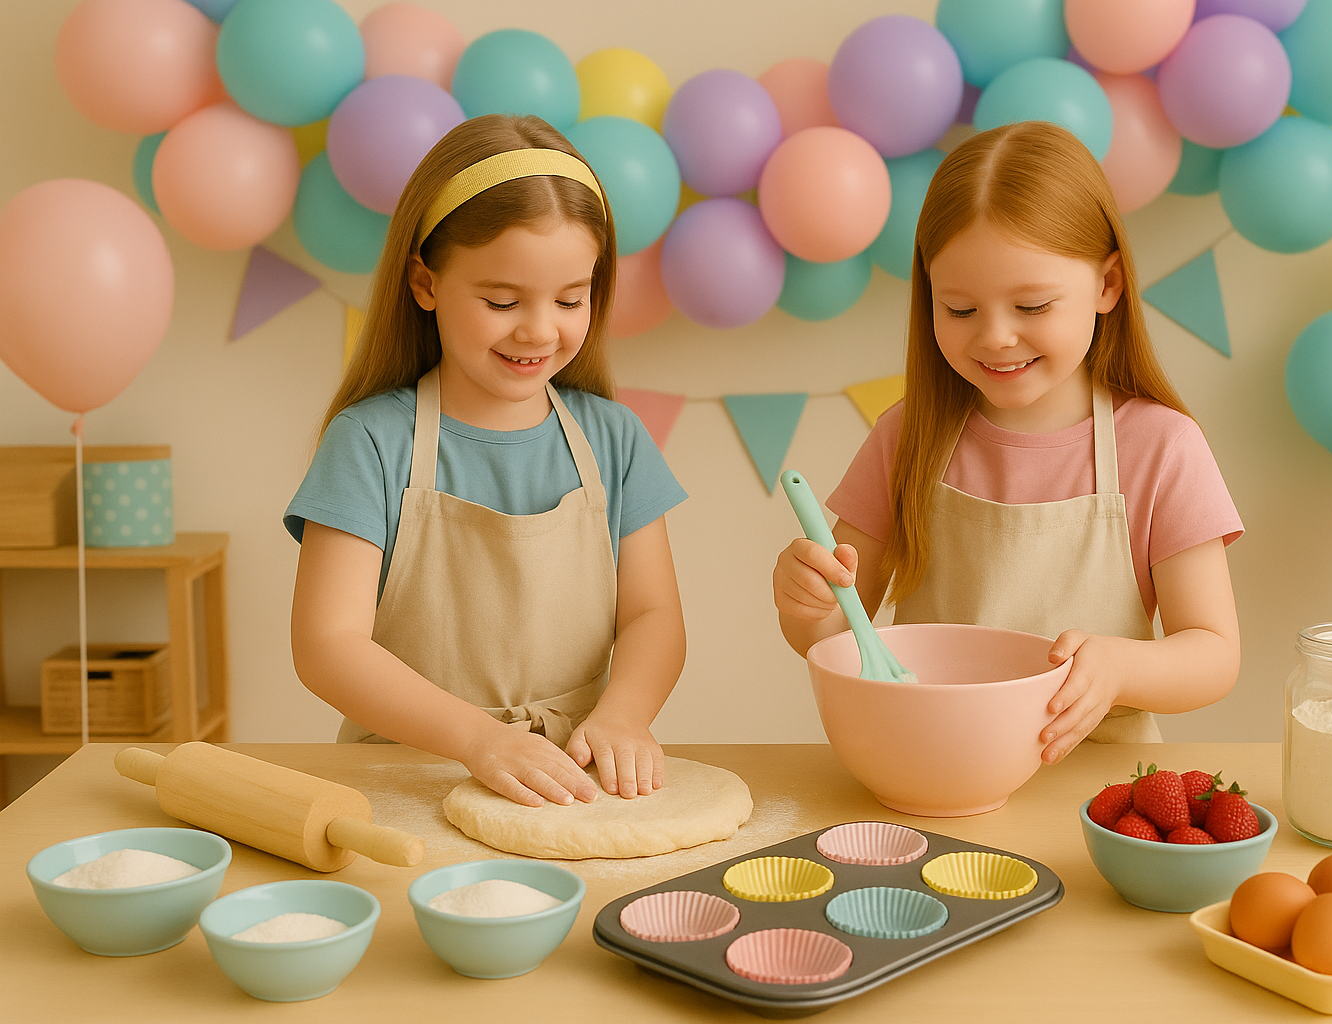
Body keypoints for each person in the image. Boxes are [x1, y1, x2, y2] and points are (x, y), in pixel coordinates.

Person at [773, 121, 1243, 764]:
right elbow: (844, 634)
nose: (994, 337)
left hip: (1096, 790)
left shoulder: (1160, 448)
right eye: (960, 310)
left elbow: (1213, 654)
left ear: (1107, 285)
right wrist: (807, 607)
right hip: (934, 768)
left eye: (1032, 306)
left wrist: (1120, 666)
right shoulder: (907, 437)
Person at [287, 115, 687, 807]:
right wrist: (477, 740)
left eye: (570, 299)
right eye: (502, 300)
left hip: (571, 781)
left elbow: (654, 616)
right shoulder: (370, 441)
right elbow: (327, 644)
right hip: (402, 783)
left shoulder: (614, 438)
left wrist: (623, 714)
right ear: (425, 283)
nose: (539, 329)